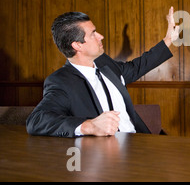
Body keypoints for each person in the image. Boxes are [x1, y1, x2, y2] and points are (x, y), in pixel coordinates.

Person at [26, 8, 179, 137]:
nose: (101, 36)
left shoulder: (105, 63)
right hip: (108, 157)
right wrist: (89, 126)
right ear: (77, 45)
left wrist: (168, 40)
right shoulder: (61, 82)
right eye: (93, 33)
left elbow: (136, 67)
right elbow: (37, 120)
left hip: (141, 142)